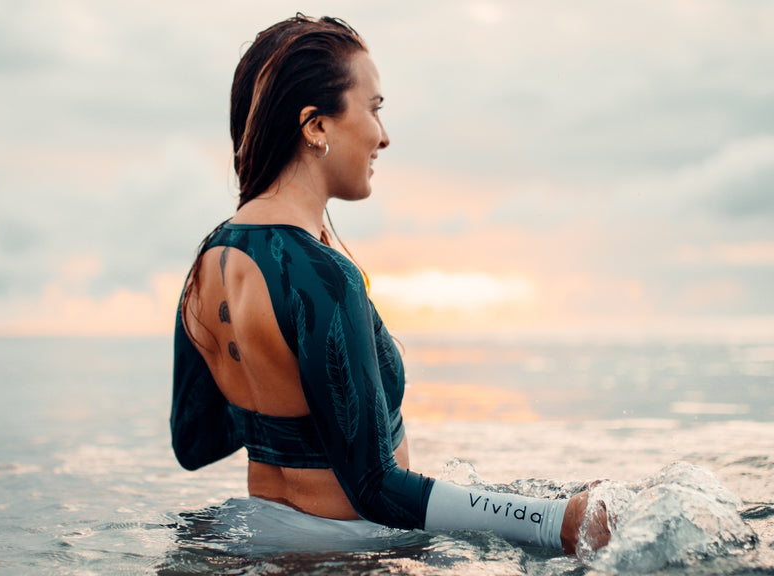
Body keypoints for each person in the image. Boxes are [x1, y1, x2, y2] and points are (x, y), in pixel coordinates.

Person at [171, 14, 610, 555]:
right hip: (349, 556)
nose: (383, 135)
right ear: (315, 126)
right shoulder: (323, 275)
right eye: (374, 108)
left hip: (264, 544)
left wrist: (273, 388)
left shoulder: (208, 265)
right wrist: (554, 521)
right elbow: (375, 489)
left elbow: (193, 443)